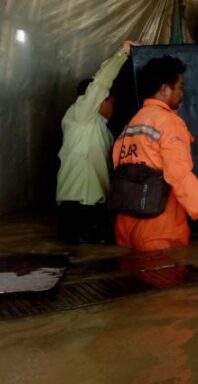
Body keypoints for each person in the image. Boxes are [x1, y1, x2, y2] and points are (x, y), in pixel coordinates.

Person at [112, 55, 198, 251]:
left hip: (125, 226)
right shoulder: (169, 123)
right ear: (164, 89)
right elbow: (179, 174)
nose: (182, 94)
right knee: (165, 279)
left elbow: (118, 165)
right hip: (158, 229)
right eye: (180, 87)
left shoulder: (131, 124)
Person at [56, 40, 136, 244]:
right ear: (100, 100)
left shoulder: (102, 129)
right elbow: (100, 84)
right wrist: (122, 54)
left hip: (95, 206)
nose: (113, 108)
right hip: (77, 205)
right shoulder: (80, 115)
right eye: (112, 102)